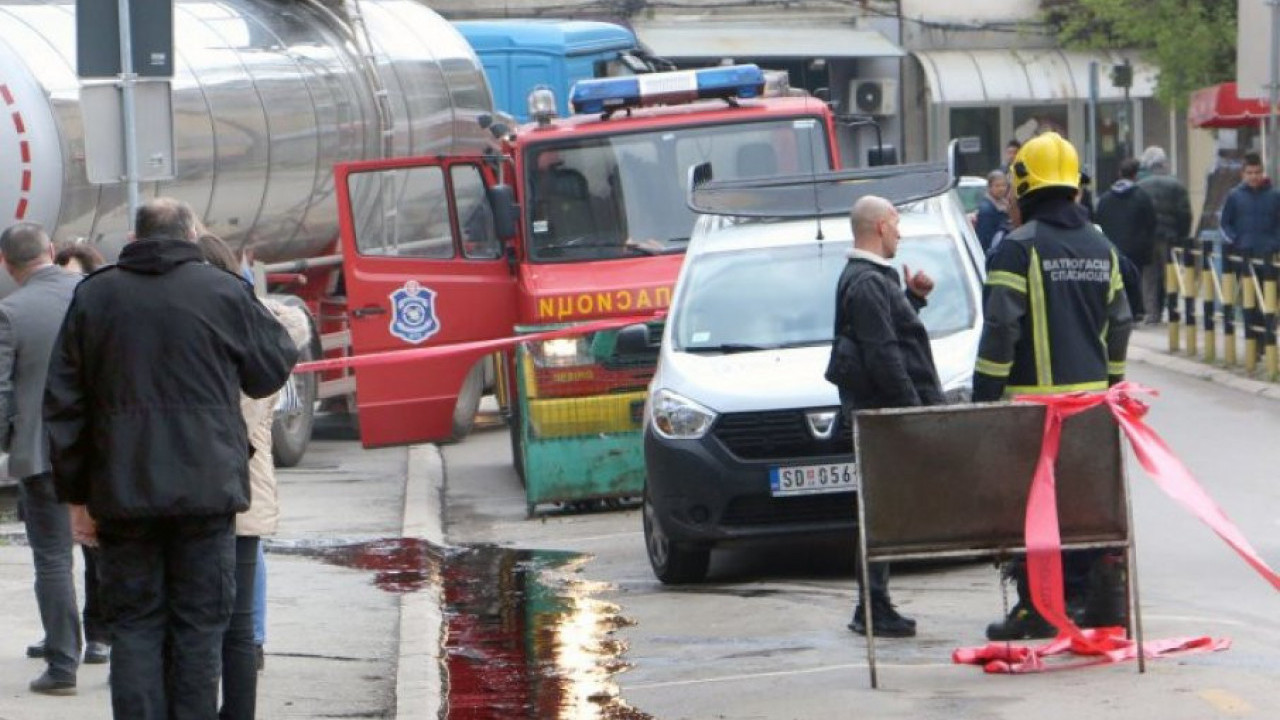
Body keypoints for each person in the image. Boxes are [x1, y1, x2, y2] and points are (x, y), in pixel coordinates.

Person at [45, 198, 298, 719]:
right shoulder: (223, 291)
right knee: (199, 628)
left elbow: (64, 406)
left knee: (135, 626)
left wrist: (75, 497)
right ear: (189, 235)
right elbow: (271, 368)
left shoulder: (95, 296)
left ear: (134, 239)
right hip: (206, 492)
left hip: (123, 491)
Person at [974, 132, 1133, 641]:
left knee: (1034, 511)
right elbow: (1122, 321)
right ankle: (1093, 602)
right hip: (1090, 408)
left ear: (1024, 187)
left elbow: (1001, 330)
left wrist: (985, 397)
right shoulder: (1102, 247)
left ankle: (1038, 607)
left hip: (1031, 413)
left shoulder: (1018, 250)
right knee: (1086, 508)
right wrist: (1112, 386)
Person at [196, 233, 308, 719]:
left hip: (207, 488)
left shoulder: (207, 335)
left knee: (204, 619)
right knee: (239, 624)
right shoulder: (260, 330)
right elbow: (292, 326)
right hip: (249, 487)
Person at [825, 195, 944, 638]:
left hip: (881, 416)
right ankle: (872, 607)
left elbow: (887, 336)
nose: (900, 232)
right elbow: (885, 355)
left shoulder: (871, 281)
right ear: (878, 227)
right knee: (880, 512)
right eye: (896, 223)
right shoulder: (867, 283)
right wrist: (913, 414)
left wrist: (913, 299)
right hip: (884, 420)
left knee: (881, 510)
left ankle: (873, 605)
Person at [0, 223, 84, 695]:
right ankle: (106, 642)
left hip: (43, 452)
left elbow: (2, 389)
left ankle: (62, 664)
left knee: (53, 560)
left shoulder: (10, 312)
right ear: (52, 251)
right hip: (107, 448)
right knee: (112, 549)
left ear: (5, 265)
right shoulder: (94, 293)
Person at [25, 241, 113, 670]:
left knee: (65, 555)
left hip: (52, 450)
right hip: (91, 447)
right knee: (86, 549)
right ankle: (90, 639)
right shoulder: (99, 302)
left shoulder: (18, 310)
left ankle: (75, 650)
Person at [1220, 151, 1280, 352]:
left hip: (1270, 256)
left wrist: (1276, 242)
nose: (1254, 176)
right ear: (1243, 174)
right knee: (1249, 302)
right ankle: (1253, 344)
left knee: (1270, 301)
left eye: (1257, 172)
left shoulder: (1274, 195)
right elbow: (1225, 224)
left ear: (1263, 173)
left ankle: (1267, 341)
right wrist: (1237, 241)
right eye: (1250, 173)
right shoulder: (1234, 196)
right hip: (1244, 256)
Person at [1136, 146, 1192, 325]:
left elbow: (1137, 214)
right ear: (1163, 163)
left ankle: (1152, 313)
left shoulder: (1140, 186)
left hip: (1148, 238)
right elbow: (1185, 213)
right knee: (1171, 275)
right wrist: (1182, 234)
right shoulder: (1176, 185)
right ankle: (1173, 309)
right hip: (1170, 237)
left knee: (1150, 276)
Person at [1095, 158, 1156, 320]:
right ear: (1135, 176)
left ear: (1119, 174)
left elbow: (1097, 221)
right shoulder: (1142, 197)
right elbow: (1151, 223)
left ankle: (1115, 310)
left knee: (1114, 279)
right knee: (1135, 279)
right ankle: (1135, 311)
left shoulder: (1105, 199)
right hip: (1136, 248)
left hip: (1111, 247)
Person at [974, 169, 1010, 253]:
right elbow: (984, 238)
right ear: (990, 187)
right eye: (997, 186)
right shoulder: (987, 209)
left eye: (1004, 185)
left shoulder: (1004, 203)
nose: (1001, 189)